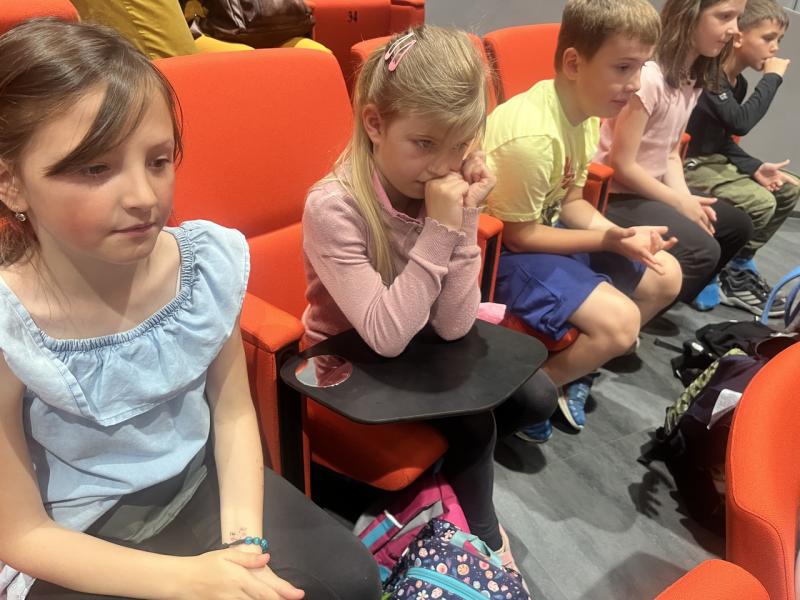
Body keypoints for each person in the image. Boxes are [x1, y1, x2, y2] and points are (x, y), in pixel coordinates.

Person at [0, 18, 381, 600]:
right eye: (95, 168)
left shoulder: (201, 267)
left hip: (200, 481)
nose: (143, 197)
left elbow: (231, 413)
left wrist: (243, 549)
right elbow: (22, 533)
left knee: (350, 577)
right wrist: (192, 581)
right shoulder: (11, 324)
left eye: (157, 161)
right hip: (78, 533)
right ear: (11, 184)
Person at [301, 24, 557, 578]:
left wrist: (465, 218)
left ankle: (439, 482)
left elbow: (454, 324)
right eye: (424, 144)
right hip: (349, 358)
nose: (444, 166)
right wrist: (442, 228)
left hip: (415, 343)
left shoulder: (437, 190)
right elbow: (385, 336)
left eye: (460, 145)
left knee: (536, 397)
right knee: (475, 424)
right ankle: (486, 542)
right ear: (375, 123)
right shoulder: (334, 207)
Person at [484, 0, 683, 443]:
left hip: (543, 233)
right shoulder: (533, 138)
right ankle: (523, 397)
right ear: (574, 63)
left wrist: (620, 235)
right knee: (621, 325)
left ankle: (579, 364)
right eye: (623, 68)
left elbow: (571, 201)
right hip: (498, 259)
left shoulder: (587, 111)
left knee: (665, 276)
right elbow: (517, 236)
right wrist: (608, 241)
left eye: (641, 67)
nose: (635, 84)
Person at [594, 0, 755, 312]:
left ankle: (662, 298)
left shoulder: (692, 76)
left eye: (738, 18)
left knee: (736, 226)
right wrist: (679, 203)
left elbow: (670, 153)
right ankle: (632, 312)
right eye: (724, 17)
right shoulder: (649, 78)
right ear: (689, 15)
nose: (734, 30)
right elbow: (621, 165)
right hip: (614, 194)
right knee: (703, 249)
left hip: (648, 190)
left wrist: (686, 200)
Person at [684, 0, 798, 316]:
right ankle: (713, 271)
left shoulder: (739, 83)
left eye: (778, 41)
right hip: (686, 162)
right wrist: (772, 79)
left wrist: (756, 167)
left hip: (713, 160)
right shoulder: (710, 76)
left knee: (789, 189)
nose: (775, 49)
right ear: (738, 37)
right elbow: (740, 123)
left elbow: (723, 140)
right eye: (768, 38)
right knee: (760, 202)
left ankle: (739, 265)